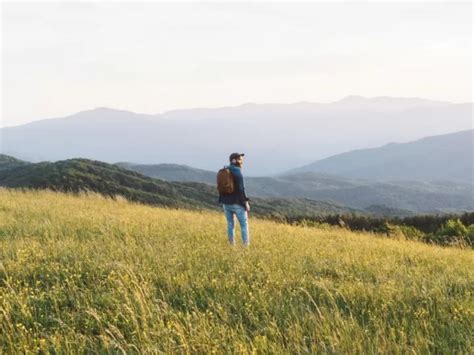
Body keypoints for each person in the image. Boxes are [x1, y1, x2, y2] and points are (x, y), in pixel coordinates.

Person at [218, 152, 250, 246]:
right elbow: (241, 189)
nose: (241, 161)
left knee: (230, 225)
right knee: (244, 225)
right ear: (234, 160)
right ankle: (245, 246)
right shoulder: (237, 171)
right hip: (237, 204)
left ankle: (231, 245)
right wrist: (246, 203)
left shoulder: (224, 170)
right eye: (239, 159)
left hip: (226, 203)